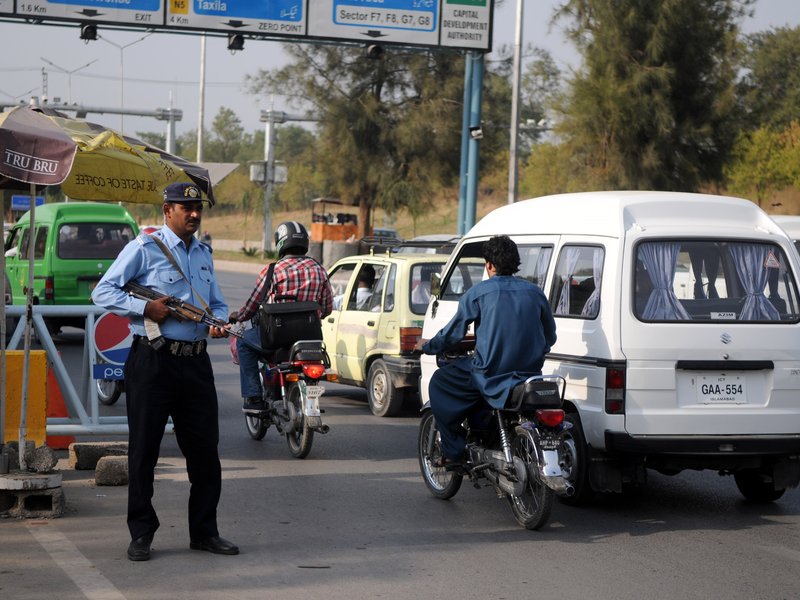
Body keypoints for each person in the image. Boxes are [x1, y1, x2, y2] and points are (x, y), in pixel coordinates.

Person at [91, 182, 238, 562]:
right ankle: (141, 533)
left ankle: (205, 532)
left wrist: (218, 322)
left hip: (196, 362)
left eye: (197, 207)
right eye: (185, 207)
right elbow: (103, 291)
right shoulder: (144, 248)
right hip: (153, 361)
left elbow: (218, 304)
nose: (194, 213)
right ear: (167, 210)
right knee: (144, 453)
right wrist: (145, 309)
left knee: (205, 453)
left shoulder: (203, 253)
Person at [417, 235, 557, 467]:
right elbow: (550, 337)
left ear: (489, 265)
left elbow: (453, 334)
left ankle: (454, 452)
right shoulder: (535, 293)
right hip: (529, 375)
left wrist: (428, 346)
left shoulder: (479, 293)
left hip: (489, 373)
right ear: (515, 263)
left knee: (440, 382)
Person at [231, 221, 333, 414]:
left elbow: (253, 305)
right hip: (310, 339)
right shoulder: (319, 269)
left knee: (243, 343)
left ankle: (253, 397)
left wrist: (239, 316)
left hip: (275, 338)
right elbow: (327, 308)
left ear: (280, 243)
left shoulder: (272, 271)